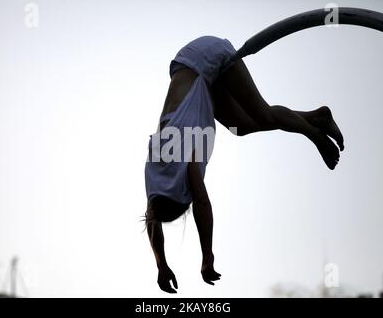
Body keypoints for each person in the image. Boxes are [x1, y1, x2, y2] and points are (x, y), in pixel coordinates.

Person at [143, 36, 344, 293]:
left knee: (262, 113)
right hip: (196, 74)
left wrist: (208, 255)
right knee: (242, 126)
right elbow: (152, 220)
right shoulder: (155, 179)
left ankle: (314, 135)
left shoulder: (185, 155)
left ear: (184, 194)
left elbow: (202, 203)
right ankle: (317, 117)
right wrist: (160, 264)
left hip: (205, 60)